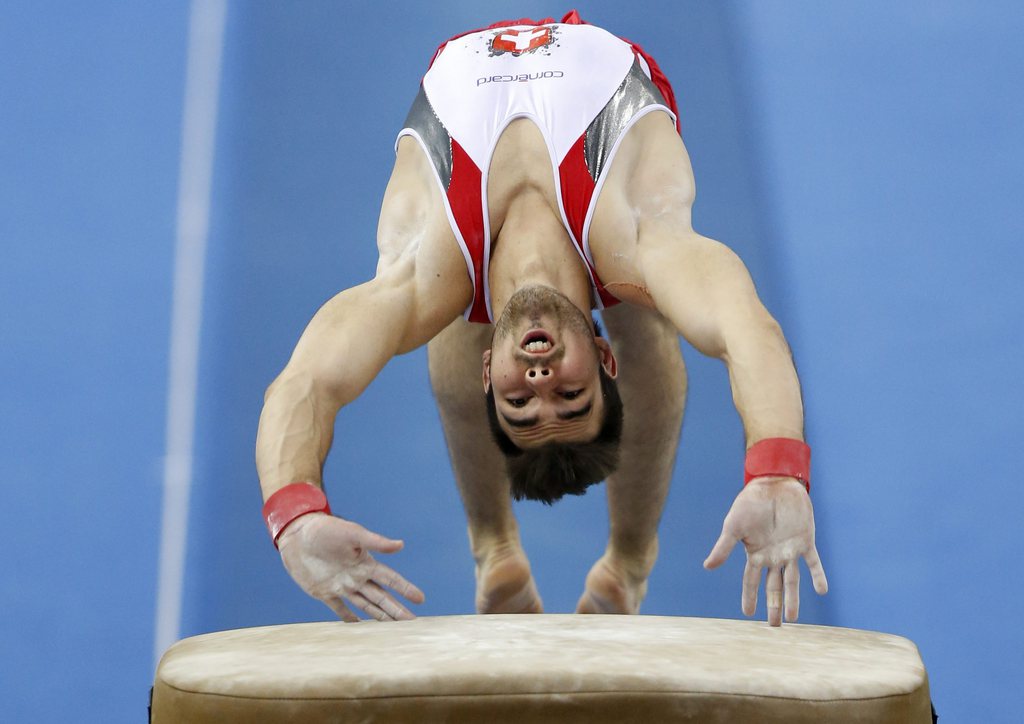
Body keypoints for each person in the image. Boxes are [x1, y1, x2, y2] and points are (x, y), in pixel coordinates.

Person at [255, 11, 828, 628]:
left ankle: (495, 546)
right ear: (603, 362)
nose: (538, 381)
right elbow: (747, 329)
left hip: (467, 84)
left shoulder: (420, 277)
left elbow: (309, 381)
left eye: (520, 405)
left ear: (490, 376)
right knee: (650, 309)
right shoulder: (639, 242)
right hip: (603, 93)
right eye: (571, 395)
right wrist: (776, 470)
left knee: (453, 299)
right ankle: (628, 561)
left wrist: (295, 514)